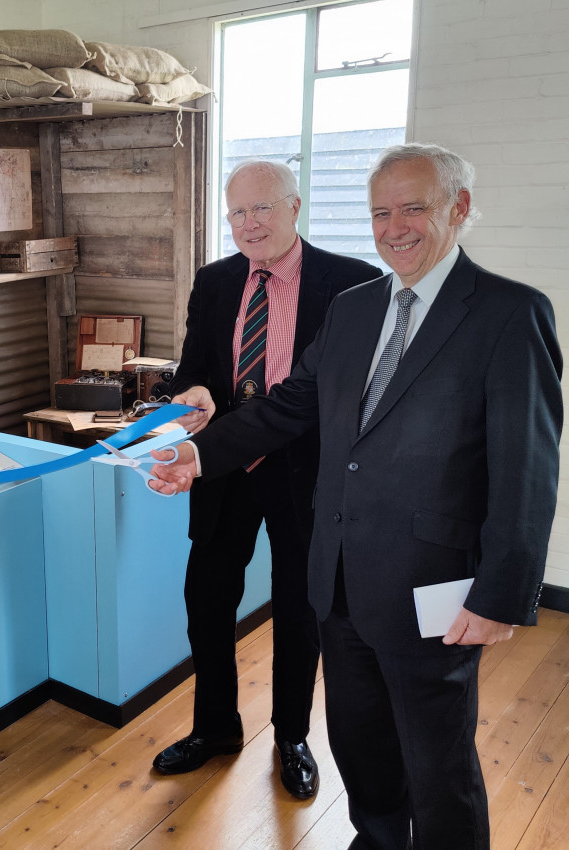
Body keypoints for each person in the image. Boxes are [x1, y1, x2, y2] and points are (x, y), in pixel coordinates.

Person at [149, 143, 562, 849]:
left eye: (413, 208)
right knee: (359, 746)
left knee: (437, 762)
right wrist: (196, 453)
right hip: (335, 577)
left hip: (433, 584)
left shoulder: (507, 313)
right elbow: (285, 408)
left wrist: (500, 594)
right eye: (379, 212)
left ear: (457, 209)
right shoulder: (352, 309)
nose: (393, 227)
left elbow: (526, 467)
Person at [152, 160, 381, 800]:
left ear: (295, 207)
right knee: (208, 600)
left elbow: (349, 396)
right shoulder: (215, 280)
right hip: (224, 466)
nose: (248, 224)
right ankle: (215, 728)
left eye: (262, 209)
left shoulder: (353, 284)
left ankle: (292, 737)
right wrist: (192, 391)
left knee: (300, 609)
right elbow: (193, 368)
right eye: (236, 214)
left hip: (304, 473)